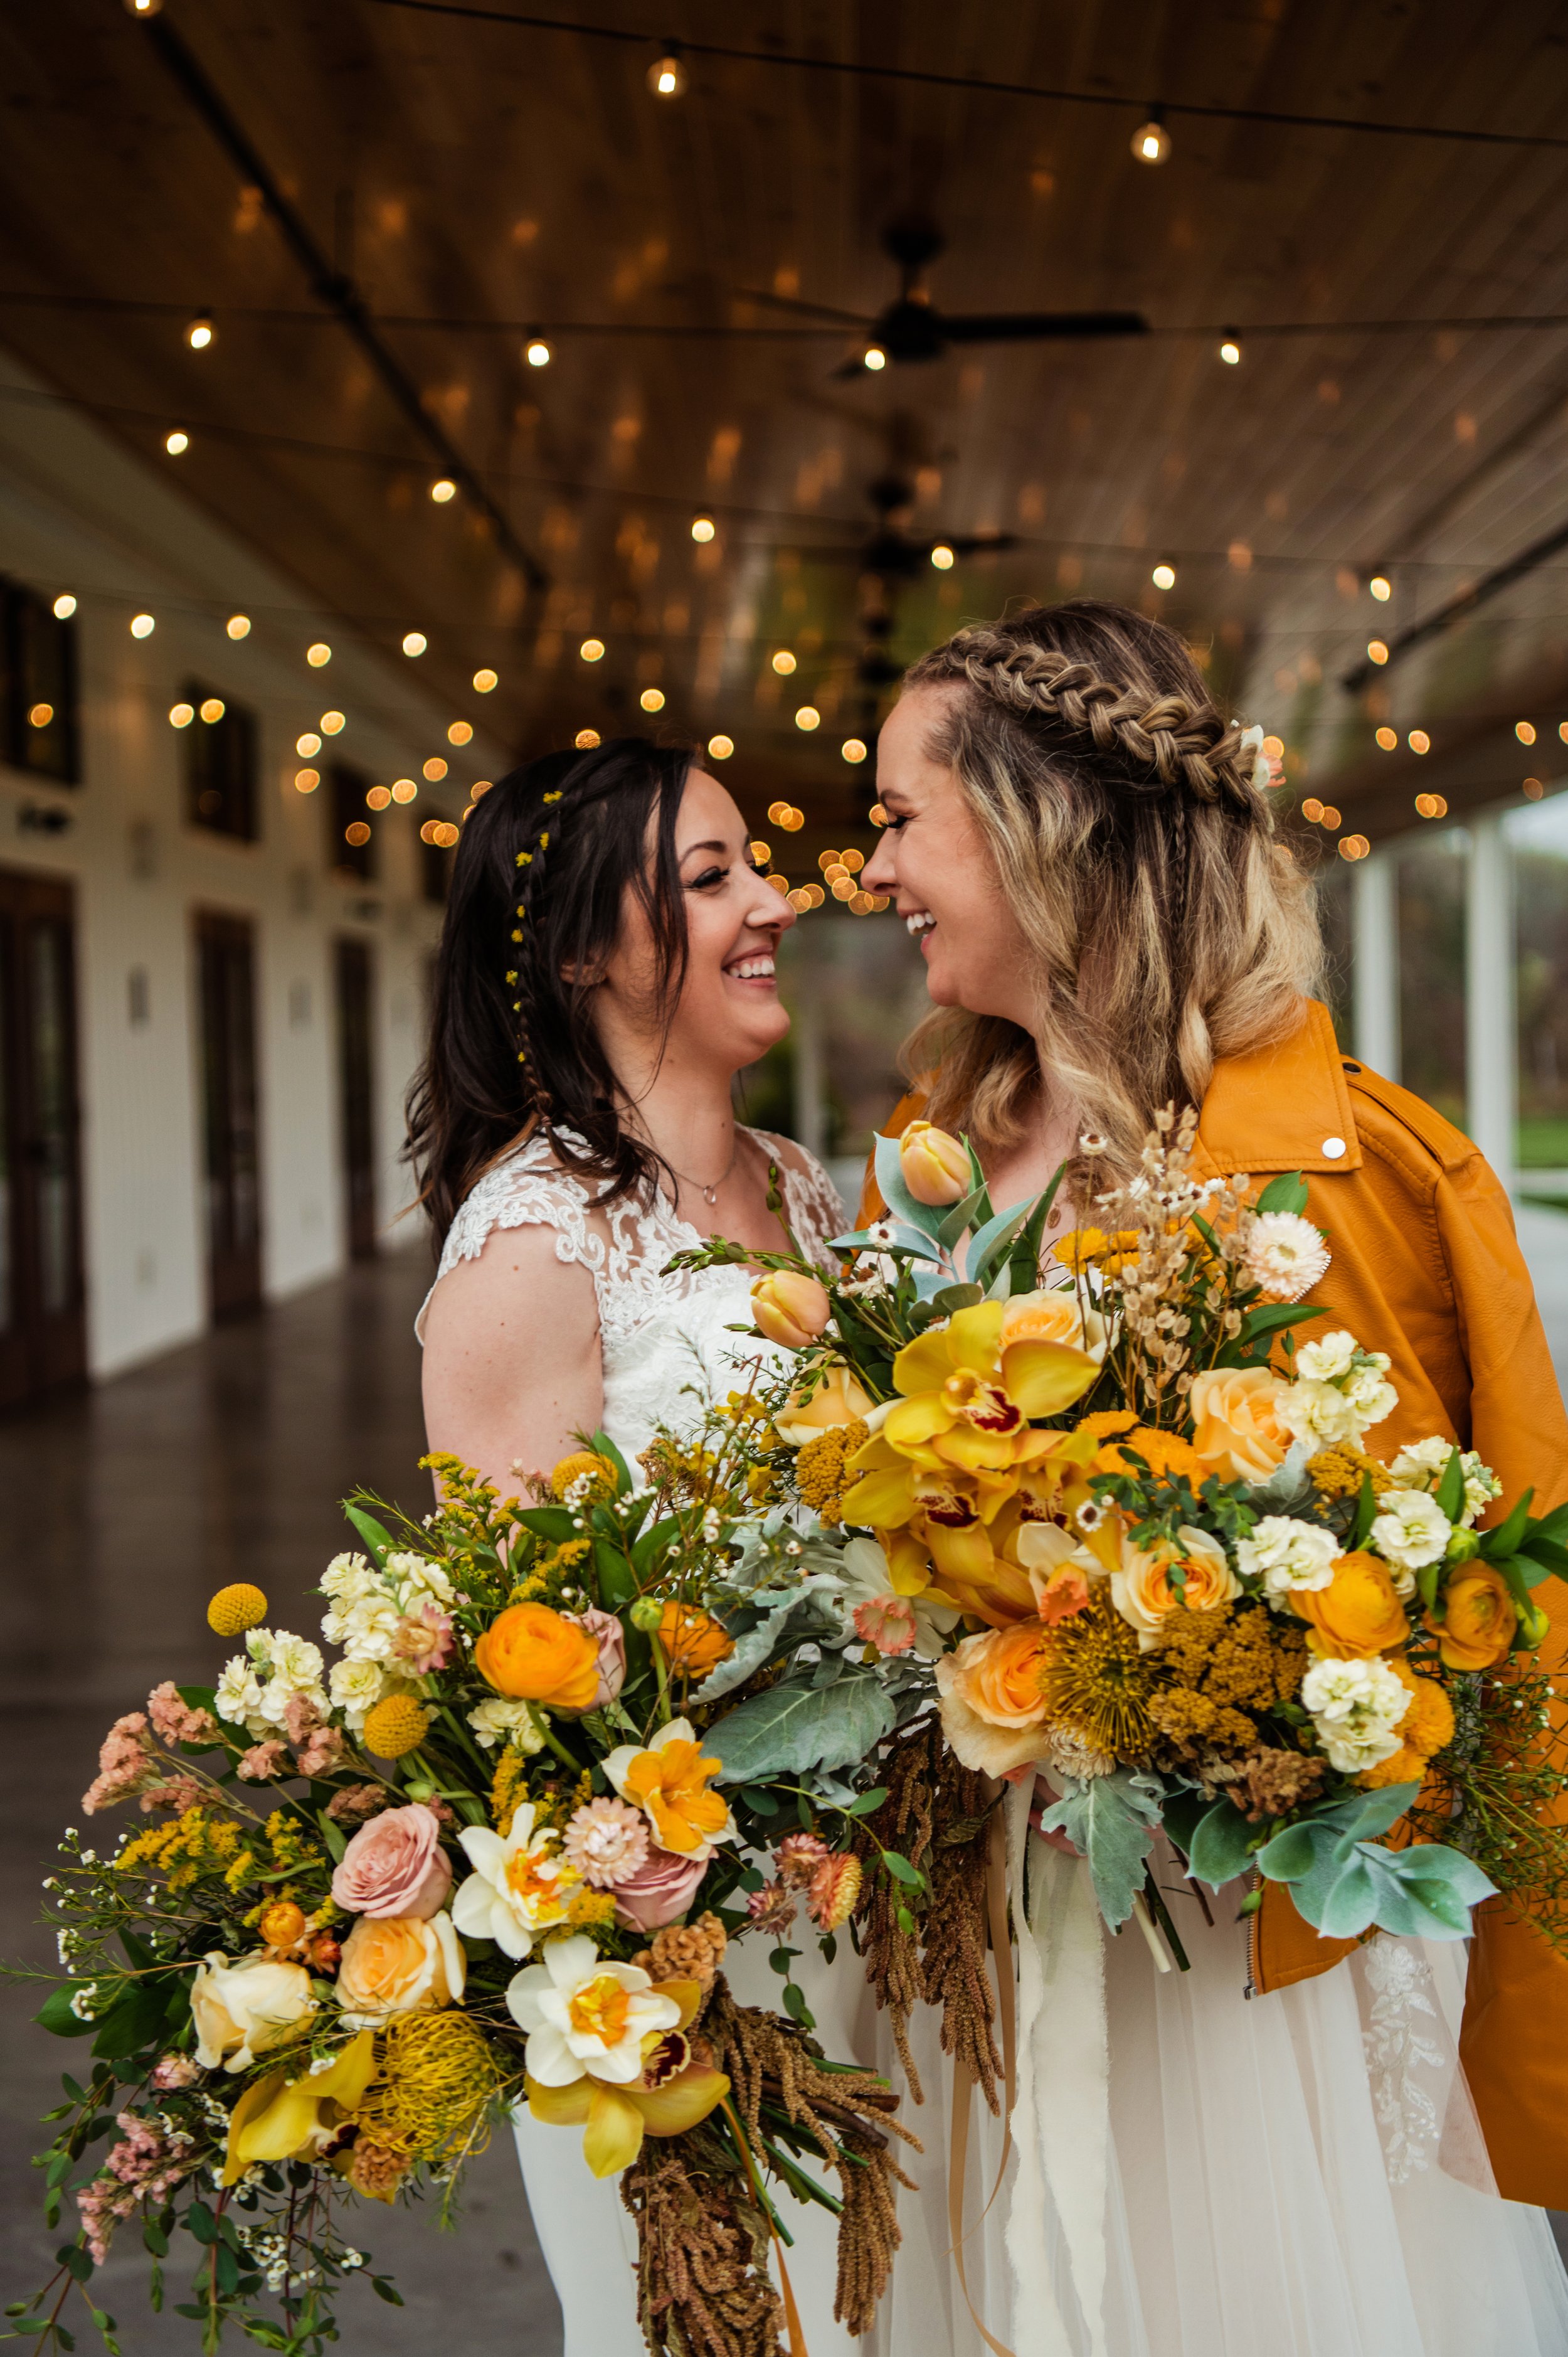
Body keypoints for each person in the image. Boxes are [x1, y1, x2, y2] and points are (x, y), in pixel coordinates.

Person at [854, 600, 1568, 2357]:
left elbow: (1438, 1618)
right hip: (979, 1934)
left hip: (1212, 1980)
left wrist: (1174, 1709)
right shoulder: (945, 1149)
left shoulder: (1323, 1171)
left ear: (1040, 827)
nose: (866, 867)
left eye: (893, 814)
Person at [410, 737, 866, 2357]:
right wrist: (659, 1976)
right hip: (677, 1956)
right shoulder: (535, 1248)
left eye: (759, 863)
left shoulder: (807, 1197)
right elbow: (522, 1689)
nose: (775, 901)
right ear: (583, 953)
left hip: (866, 1897)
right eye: (711, 876)